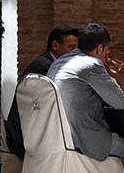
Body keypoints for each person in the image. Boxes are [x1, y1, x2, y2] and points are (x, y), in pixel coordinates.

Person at [47, 23, 124, 164]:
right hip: (83, 137)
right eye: (106, 50)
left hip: (58, 137)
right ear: (99, 48)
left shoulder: (58, 62)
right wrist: (123, 82)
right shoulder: (92, 64)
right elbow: (121, 103)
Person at [5, 26, 79, 158]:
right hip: (24, 136)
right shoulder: (45, 67)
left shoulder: (47, 63)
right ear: (55, 45)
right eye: (71, 47)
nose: (75, 53)